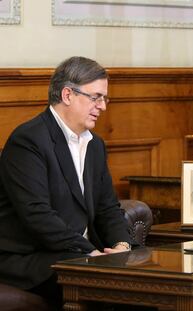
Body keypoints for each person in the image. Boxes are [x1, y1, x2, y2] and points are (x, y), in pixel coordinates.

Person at [0, 56, 132, 309]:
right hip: (30, 258)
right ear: (68, 95)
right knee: (113, 292)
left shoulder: (95, 145)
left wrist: (122, 246)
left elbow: (107, 208)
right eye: (96, 97)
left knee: (144, 289)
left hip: (78, 254)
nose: (102, 106)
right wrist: (91, 254)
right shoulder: (28, 140)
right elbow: (38, 216)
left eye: (105, 98)